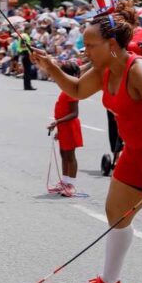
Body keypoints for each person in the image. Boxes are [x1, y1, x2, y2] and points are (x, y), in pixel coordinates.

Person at [33, 0, 142, 283]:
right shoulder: (104, 69)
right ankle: (109, 282)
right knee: (116, 216)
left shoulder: (140, 69)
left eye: (91, 45)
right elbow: (76, 89)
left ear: (111, 43)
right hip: (134, 150)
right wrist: (50, 67)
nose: (85, 50)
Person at [47, 61, 83, 197]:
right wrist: (58, 127)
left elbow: (74, 113)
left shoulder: (72, 90)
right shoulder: (67, 89)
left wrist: (57, 122)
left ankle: (71, 184)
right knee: (63, 154)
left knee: (70, 156)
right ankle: (64, 181)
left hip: (70, 126)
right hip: (63, 127)